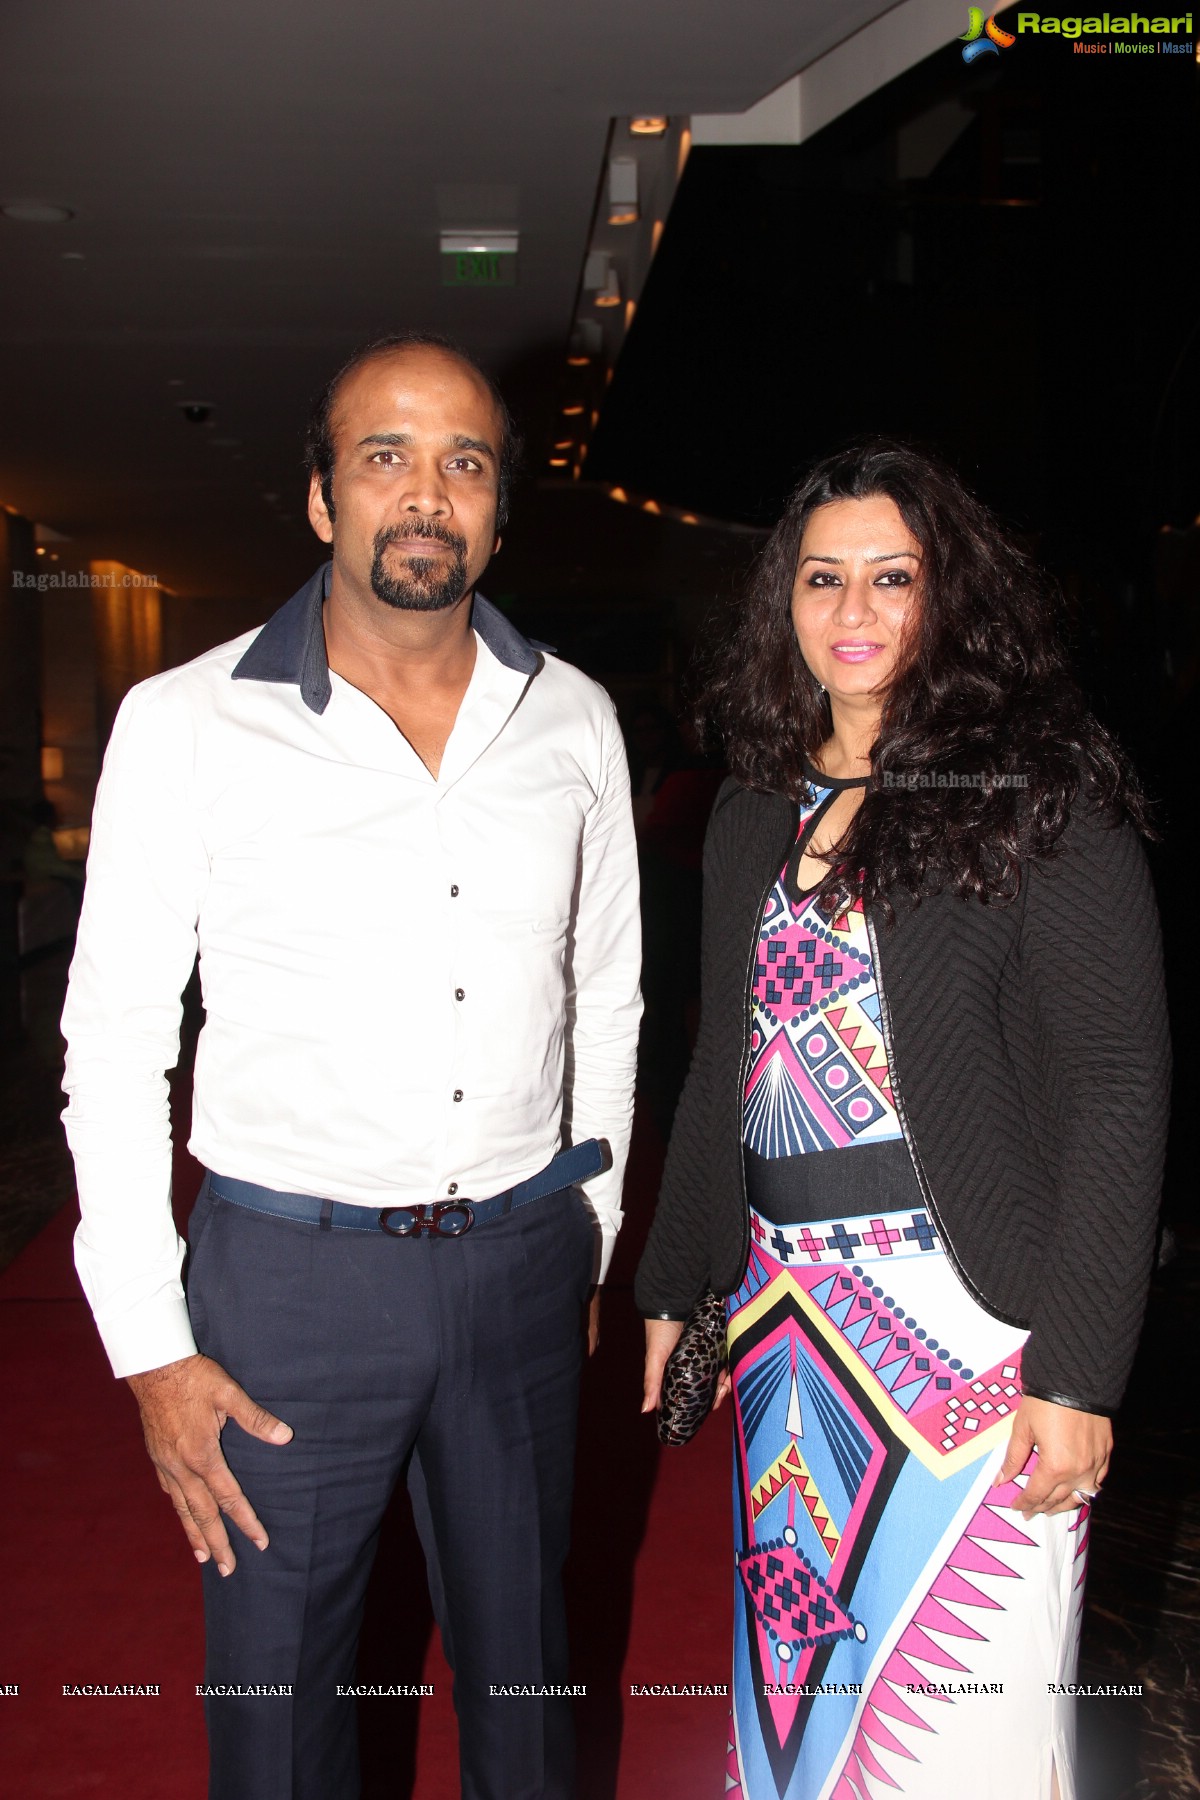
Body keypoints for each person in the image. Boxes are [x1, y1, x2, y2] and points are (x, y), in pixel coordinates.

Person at [61, 332, 642, 1800]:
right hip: (285, 1289)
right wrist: (146, 1341)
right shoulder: (183, 720)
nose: (425, 494)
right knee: (278, 1711)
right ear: (323, 498)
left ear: (502, 507)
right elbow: (114, 1039)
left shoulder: (574, 718)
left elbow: (607, 998)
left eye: (464, 462)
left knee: (526, 1685)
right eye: (384, 457)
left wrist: (588, 1239)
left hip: (518, 1263)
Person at [635, 442, 1168, 1800]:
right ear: (784, 602)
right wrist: (674, 1277)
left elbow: (1119, 1083)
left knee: (966, 1733)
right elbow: (720, 1067)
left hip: (973, 1330)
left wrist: (1079, 1374)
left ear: (952, 600)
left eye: (892, 577)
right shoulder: (756, 806)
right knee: (802, 1707)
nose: (853, 610)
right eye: (823, 578)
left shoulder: (1037, 792)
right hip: (783, 1331)